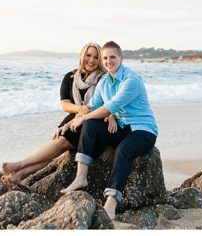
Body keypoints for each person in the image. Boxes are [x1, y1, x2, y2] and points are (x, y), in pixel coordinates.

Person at [59, 41, 159, 219]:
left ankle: (111, 204)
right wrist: (69, 123)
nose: (108, 61)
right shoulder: (105, 81)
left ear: (121, 58)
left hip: (143, 130)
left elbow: (109, 108)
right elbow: (90, 106)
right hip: (122, 127)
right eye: (105, 58)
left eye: (112, 57)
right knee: (90, 125)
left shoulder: (131, 80)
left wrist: (83, 117)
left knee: (123, 150)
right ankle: (81, 177)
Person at [1, 42, 110, 185]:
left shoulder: (103, 78)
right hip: (75, 116)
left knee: (60, 142)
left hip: (92, 121)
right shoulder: (71, 77)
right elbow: (65, 104)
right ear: (82, 56)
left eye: (96, 57)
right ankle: (19, 175)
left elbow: (107, 104)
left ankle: (20, 165)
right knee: (55, 146)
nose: (91, 60)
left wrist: (85, 113)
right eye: (88, 55)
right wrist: (79, 109)